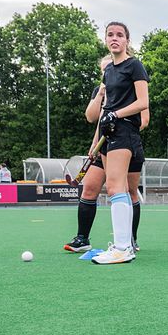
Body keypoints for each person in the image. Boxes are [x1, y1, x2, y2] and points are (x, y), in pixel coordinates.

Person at [65, 57, 149, 254]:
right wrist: (95, 144)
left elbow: (143, 120)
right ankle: (82, 238)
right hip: (104, 144)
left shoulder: (131, 89)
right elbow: (92, 118)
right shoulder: (101, 91)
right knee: (90, 188)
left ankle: (129, 238)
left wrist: (118, 119)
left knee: (128, 190)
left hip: (126, 142)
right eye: (105, 71)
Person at [89, 25, 149, 265]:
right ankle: (123, 246)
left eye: (119, 35)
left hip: (125, 131)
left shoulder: (134, 65)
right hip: (109, 132)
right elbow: (102, 108)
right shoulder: (109, 72)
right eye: (110, 35)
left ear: (127, 40)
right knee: (116, 189)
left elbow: (143, 102)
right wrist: (102, 127)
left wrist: (116, 115)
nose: (114, 39)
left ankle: (123, 248)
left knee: (116, 187)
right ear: (105, 39)